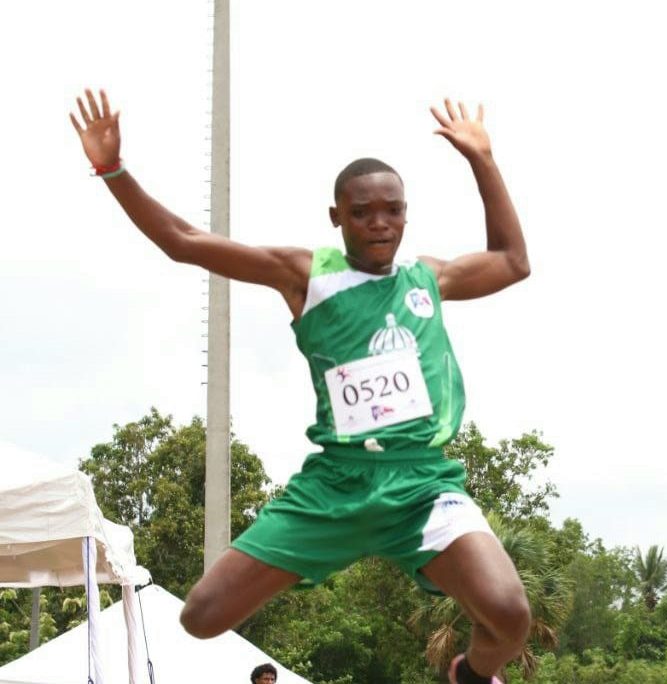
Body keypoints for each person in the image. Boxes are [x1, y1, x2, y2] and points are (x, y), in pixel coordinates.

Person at [71, 89, 531, 684]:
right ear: (336, 216)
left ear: (406, 214)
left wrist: (482, 159)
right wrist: (113, 168)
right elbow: (182, 241)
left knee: (510, 615)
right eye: (362, 211)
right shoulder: (306, 275)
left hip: (421, 482)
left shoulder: (430, 279)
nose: (379, 223)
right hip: (333, 488)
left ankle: (471, 675)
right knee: (201, 618)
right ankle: (314, 551)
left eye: (392, 210)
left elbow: (513, 261)